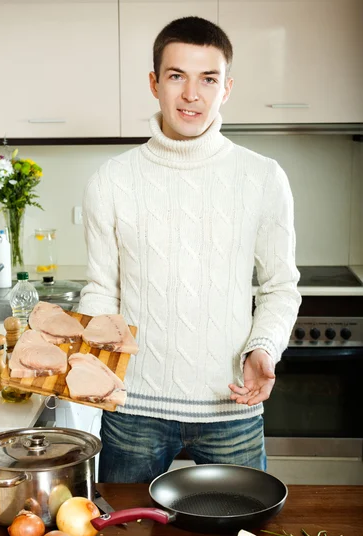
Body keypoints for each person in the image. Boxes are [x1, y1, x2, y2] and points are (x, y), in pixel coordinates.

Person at [78, 16, 301, 483]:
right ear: (154, 82)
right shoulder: (111, 181)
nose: (191, 94)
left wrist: (264, 347)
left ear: (227, 87)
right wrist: (93, 359)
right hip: (134, 409)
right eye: (177, 76)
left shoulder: (262, 177)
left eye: (208, 78)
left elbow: (281, 287)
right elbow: (102, 289)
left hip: (232, 408)